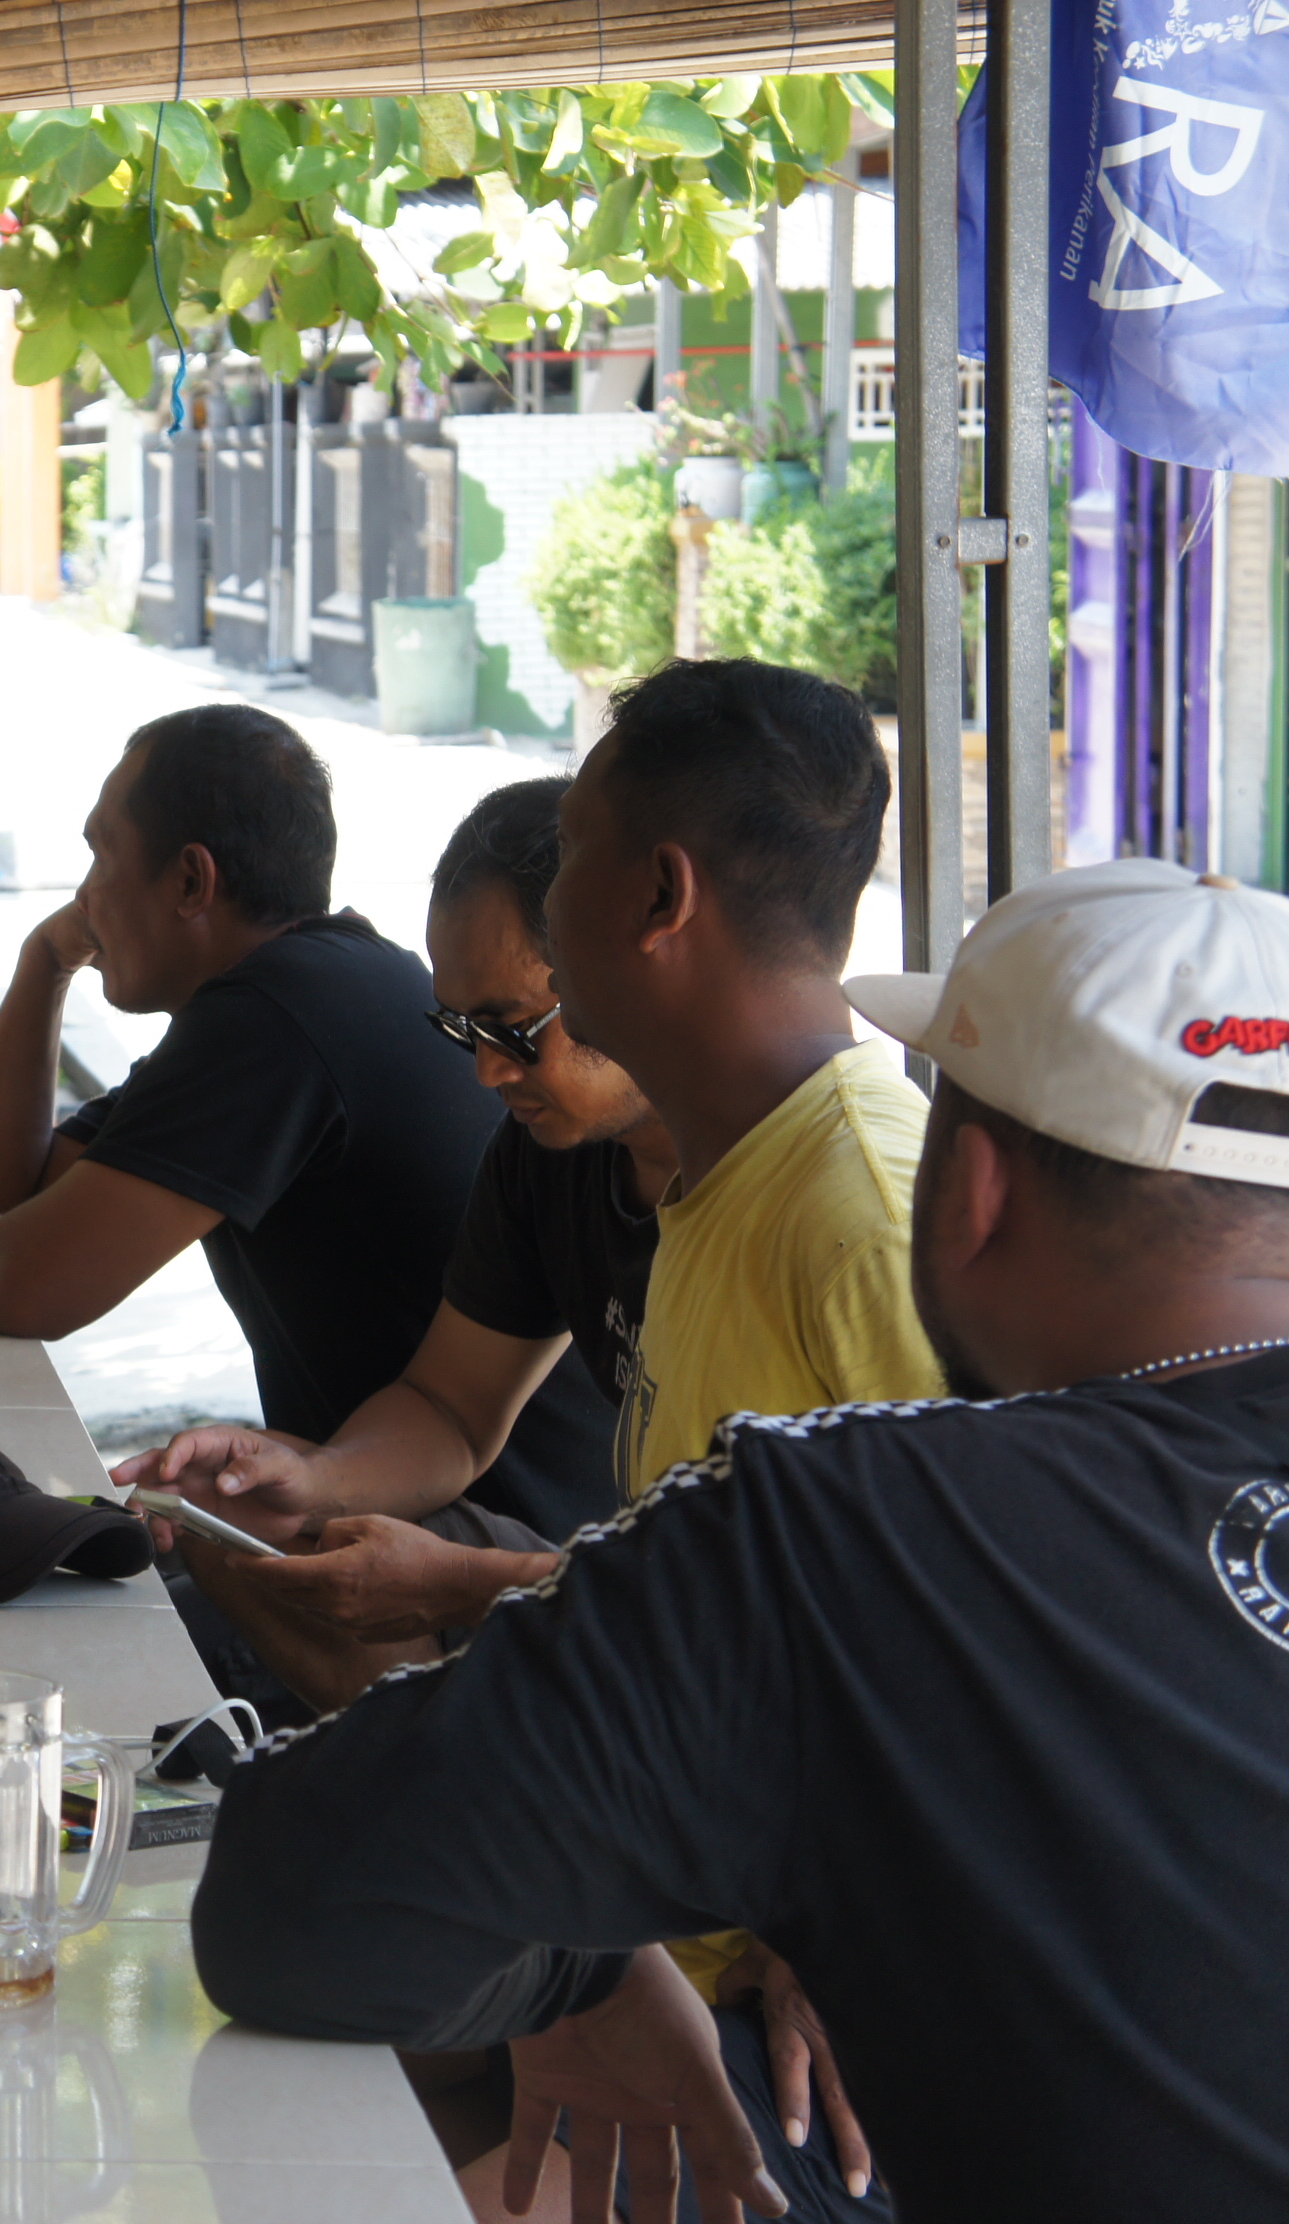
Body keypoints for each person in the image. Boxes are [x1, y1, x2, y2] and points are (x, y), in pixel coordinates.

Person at [192, 857, 1289, 2221]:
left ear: (975, 1185)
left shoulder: (854, 1522)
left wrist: (586, 1968)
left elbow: (287, 1914)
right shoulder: (599, 1206)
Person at [0, 704, 614, 1547]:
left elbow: (26, 1284)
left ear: (190, 881)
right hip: (380, 1487)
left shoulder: (284, 1014)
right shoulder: (281, 1002)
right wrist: (47, 962)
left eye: (102, 854)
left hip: (490, 1532)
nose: (86, 892)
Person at [117, 775, 671, 1706]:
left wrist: (455, 1581)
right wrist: (306, 1478)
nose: (489, 1071)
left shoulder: (801, 1197)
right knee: (232, 1529)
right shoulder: (550, 1152)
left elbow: (771, 1603)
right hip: (631, 1577)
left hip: (683, 1618)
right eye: (461, 1030)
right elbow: (450, 1408)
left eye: (512, 1029)